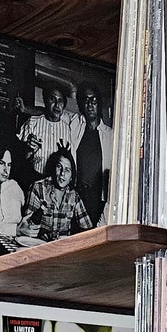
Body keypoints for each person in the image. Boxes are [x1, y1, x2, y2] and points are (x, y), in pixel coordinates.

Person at [19, 79, 85, 187]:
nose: (56, 105)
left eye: (60, 101)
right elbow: (19, 159)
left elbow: (71, 163)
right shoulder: (32, 123)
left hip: (58, 185)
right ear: (45, 101)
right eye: (52, 99)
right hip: (34, 180)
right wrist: (29, 150)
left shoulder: (69, 128)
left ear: (64, 105)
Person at [22, 149, 92, 241]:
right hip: (38, 245)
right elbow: (27, 227)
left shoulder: (74, 196)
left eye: (67, 170)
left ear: (71, 177)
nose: (62, 173)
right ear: (54, 168)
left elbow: (88, 229)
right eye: (59, 167)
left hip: (62, 248)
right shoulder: (38, 188)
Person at [73, 82, 112, 225]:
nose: (90, 104)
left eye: (93, 100)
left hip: (99, 201)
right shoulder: (75, 124)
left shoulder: (110, 135)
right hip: (76, 197)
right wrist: (26, 108)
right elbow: (51, 113)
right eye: (86, 100)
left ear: (99, 103)